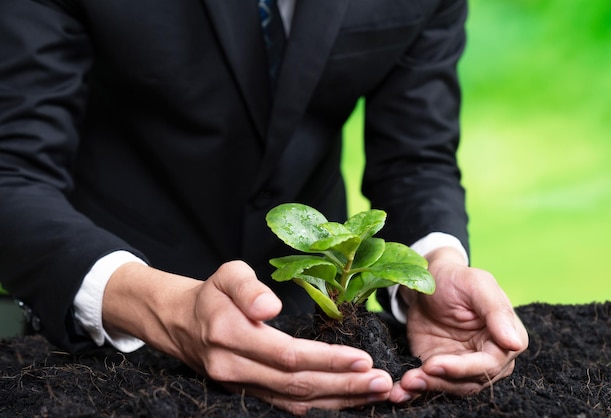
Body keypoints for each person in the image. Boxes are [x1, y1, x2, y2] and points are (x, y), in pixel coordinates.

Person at [0, 0, 528, 415]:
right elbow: (12, 170)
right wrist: (158, 305)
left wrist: (434, 268)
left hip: (312, 330)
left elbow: (416, 157)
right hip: (115, 333)